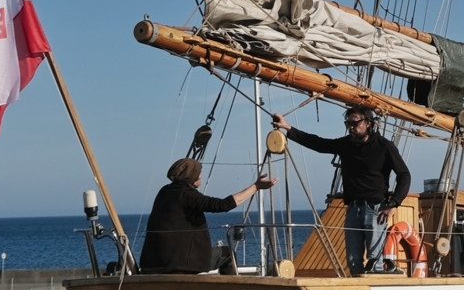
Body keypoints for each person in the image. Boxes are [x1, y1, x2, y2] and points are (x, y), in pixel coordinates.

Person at [272, 105, 411, 276]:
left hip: (376, 209)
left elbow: (404, 175)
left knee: (375, 262)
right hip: (353, 208)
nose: (351, 127)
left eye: (354, 123)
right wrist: (288, 128)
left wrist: (394, 204)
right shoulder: (346, 145)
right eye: (348, 124)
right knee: (353, 261)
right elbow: (319, 143)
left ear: (368, 123)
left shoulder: (384, 146)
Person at [139, 158, 272, 275]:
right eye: (198, 173)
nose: (200, 177)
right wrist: (256, 186)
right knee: (227, 254)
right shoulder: (188, 195)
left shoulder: (164, 192)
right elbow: (223, 205)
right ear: (192, 177)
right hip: (178, 265)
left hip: (153, 264)